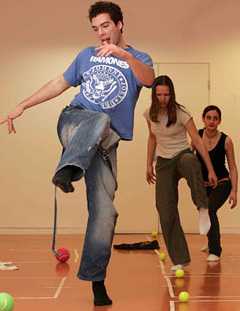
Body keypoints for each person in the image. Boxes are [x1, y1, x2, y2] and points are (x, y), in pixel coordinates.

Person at [0, 1, 154, 305]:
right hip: (75, 122)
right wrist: (22, 105)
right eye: (96, 29)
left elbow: (148, 79)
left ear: (120, 24)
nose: (101, 34)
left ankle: (96, 281)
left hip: (104, 145)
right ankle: (68, 167)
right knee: (99, 118)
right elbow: (59, 83)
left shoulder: (139, 58)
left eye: (106, 26)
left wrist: (123, 54)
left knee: (106, 214)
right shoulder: (86, 56)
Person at [144, 75, 217, 271]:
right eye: (159, 94)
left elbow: (198, 141)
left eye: (166, 94)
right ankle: (180, 259)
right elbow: (152, 138)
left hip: (182, 155)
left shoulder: (182, 113)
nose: (163, 98)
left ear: (172, 94)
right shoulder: (149, 114)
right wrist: (148, 164)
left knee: (191, 160)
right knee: (164, 209)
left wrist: (210, 169)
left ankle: (202, 207)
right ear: (154, 94)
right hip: (163, 163)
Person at [194, 105, 238, 262]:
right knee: (204, 210)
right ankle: (210, 240)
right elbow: (186, 156)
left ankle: (215, 251)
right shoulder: (197, 136)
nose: (212, 121)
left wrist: (234, 191)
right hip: (202, 185)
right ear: (203, 119)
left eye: (215, 118)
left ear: (219, 121)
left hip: (222, 182)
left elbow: (232, 167)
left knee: (210, 209)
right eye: (209, 118)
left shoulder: (227, 141)